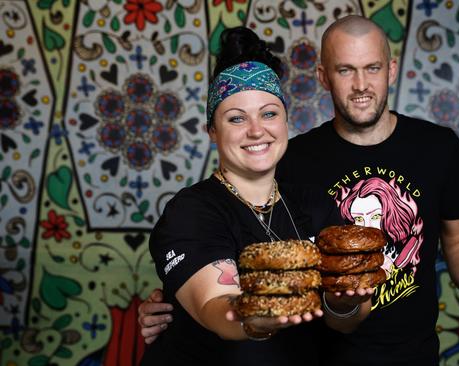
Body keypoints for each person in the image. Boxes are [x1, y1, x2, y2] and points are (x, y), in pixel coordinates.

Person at [139, 16, 459, 365]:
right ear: (324, 76)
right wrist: (182, 305)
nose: (360, 85)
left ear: (390, 71)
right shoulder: (290, 163)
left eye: (372, 68)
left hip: (411, 352)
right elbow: (219, 265)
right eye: (345, 70)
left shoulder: (437, 148)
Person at [139, 27, 373, 365]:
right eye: (236, 118)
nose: (256, 130)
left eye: (269, 113)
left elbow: (347, 321)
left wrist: (342, 300)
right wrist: (259, 315)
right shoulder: (192, 211)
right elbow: (215, 308)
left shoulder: (315, 205)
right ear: (212, 132)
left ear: (285, 121)